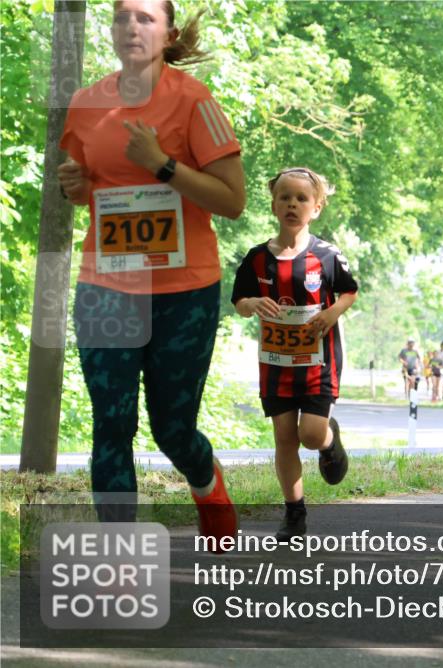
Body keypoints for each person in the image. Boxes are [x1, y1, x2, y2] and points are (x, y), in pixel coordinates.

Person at [58, 0, 245, 544]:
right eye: (121, 17)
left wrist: (162, 163)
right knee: (111, 424)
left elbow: (232, 200)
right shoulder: (86, 104)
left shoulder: (194, 101)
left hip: (183, 293)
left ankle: (207, 483)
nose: (131, 27)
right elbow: (87, 187)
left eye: (145, 17)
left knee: (172, 428)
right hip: (106, 287)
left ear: (166, 33)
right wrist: (78, 189)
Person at [231, 167, 357, 539]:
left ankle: (329, 441)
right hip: (275, 362)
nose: (292, 204)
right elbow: (238, 301)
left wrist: (332, 312)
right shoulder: (256, 259)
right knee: (285, 437)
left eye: (302, 198)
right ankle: (294, 512)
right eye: (285, 197)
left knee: (310, 434)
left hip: (319, 360)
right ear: (273, 204)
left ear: (316, 208)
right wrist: (253, 302)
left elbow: (349, 291)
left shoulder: (327, 256)